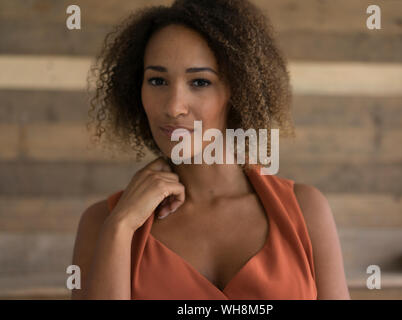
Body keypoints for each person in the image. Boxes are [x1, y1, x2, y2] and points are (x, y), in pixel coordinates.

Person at [71, 0, 350, 300]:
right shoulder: (103, 223)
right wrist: (121, 226)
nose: (174, 106)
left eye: (200, 82)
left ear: (238, 91)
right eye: (157, 80)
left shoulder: (305, 211)